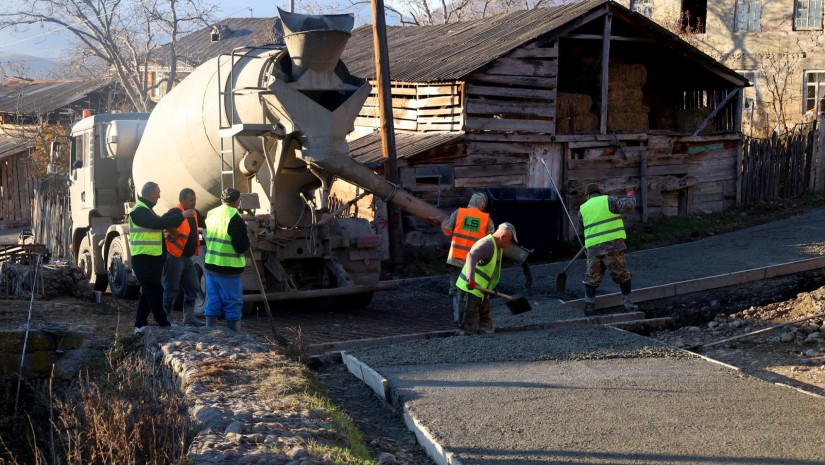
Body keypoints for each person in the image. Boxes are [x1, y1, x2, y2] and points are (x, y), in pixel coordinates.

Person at [130, 181, 195, 334]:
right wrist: (182, 215)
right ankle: (163, 323)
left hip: (151, 258)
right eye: (158, 192)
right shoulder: (139, 210)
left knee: (148, 292)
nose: (159, 196)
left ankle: (140, 325)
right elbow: (157, 223)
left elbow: (159, 223)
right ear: (151, 193)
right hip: (144, 258)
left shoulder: (147, 209)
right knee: (155, 291)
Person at [577, 183, 638, 316]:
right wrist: (630, 194)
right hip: (613, 246)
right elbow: (629, 205)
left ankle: (589, 305)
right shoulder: (609, 200)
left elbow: (581, 231)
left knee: (592, 277)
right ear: (599, 192)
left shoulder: (583, 208)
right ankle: (627, 303)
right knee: (621, 274)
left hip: (594, 249)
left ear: (587, 195)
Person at [455, 222, 518, 334]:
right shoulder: (487, 244)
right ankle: (466, 344)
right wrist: (471, 279)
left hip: (482, 291)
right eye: (510, 240)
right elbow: (471, 256)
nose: (510, 244)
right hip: (470, 289)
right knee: (469, 327)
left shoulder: (498, 246)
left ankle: (486, 340)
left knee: (486, 323)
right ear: (502, 236)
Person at [441, 192, 495, 323]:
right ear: (482, 204)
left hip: (455, 259)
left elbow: (446, 229)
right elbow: (491, 240)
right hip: (473, 263)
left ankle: (457, 318)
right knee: (470, 290)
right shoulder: (486, 219)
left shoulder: (458, 213)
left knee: (455, 289)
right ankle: (468, 320)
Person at [203, 188, 250, 331]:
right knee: (233, 302)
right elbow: (240, 246)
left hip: (211, 264)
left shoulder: (212, 213)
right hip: (229, 268)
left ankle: (210, 330)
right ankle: (233, 333)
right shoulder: (235, 218)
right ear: (237, 202)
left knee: (213, 299)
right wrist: (248, 240)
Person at [162, 188, 206, 327]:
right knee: (172, 287)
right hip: (175, 256)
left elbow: (206, 222)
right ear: (182, 201)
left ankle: (189, 318)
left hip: (186, 258)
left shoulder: (194, 213)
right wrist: (174, 232)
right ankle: (167, 318)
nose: (194, 203)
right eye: (191, 200)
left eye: (195, 200)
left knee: (193, 286)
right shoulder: (175, 211)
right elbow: (164, 221)